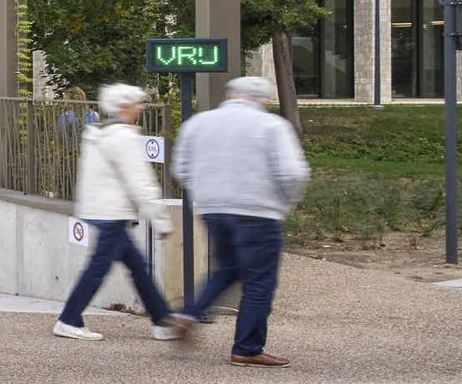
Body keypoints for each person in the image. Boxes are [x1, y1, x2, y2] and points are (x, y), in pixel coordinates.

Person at [171, 74, 310, 367]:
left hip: (213, 209)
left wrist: (206, 194)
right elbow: (293, 173)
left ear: (230, 94)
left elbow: (181, 168)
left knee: (227, 268)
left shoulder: (198, 123)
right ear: (261, 99)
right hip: (258, 210)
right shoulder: (272, 126)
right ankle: (247, 347)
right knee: (259, 282)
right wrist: (285, 204)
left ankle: (190, 313)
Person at [53, 84, 196, 342]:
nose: (141, 107)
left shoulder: (98, 133)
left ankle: (162, 319)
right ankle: (69, 319)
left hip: (101, 209)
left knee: (137, 267)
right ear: (124, 106)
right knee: (100, 268)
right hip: (113, 212)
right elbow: (141, 182)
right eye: (137, 103)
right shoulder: (124, 138)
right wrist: (161, 221)